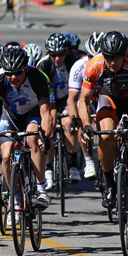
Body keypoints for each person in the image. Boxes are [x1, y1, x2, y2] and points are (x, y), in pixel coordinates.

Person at [79, 31, 128, 236]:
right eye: (108, 57)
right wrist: (87, 124)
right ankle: (109, 183)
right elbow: (83, 100)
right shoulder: (94, 65)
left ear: (125, 54)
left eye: (116, 57)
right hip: (110, 101)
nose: (112, 62)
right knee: (105, 136)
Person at [0, 46, 55, 212]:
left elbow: (46, 113)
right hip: (10, 115)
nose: (13, 77)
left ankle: (41, 189)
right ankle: (14, 194)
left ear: (26, 68)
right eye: (9, 72)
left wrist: (44, 136)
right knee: (6, 156)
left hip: (32, 113)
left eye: (17, 72)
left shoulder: (37, 78)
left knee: (33, 139)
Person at [37, 33, 78, 186]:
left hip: (68, 99)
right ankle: (48, 167)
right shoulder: (43, 65)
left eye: (60, 54)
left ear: (66, 52)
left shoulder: (73, 63)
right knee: (49, 127)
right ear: (48, 53)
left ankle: (72, 164)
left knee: (68, 122)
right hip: (48, 99)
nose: (57, 58)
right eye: (53, 55)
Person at [66, 31, 103, 179]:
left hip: (103, 97)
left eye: (98, 58)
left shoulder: (111, 65)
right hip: (86, 99)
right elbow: (72, 99)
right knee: (81, 118)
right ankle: (89, 161)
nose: (93, 62)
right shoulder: (79, 66)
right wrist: (74, 119)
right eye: (90, 58)